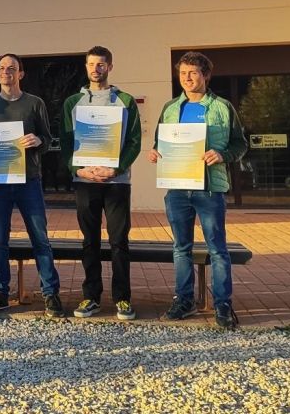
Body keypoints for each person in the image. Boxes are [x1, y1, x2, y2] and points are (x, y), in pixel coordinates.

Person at [149, 51, 247, 330]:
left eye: (193, 72)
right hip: (177, 188)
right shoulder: (170, 108)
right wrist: (156, 152)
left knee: (217, 248)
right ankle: (184, 301)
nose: (187, 78)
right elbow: (159, 142)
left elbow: (240, 144)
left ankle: (222, 304)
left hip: (210, 189)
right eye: (182, 73)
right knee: (181, 248)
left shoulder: (222, 107)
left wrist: (223, 154)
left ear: (206, 75)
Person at [0, 54, 63, 318]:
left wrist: (38, 141)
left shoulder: (35, 103)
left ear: (20, 73)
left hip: (28, 181)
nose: (5, 72)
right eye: (1, 68)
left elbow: (47, 139)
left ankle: (50, 293)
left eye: (11, 68)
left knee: (40, 238)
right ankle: (0, 293)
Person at [59, 46, 142, 320]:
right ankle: (91, 297)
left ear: (110, 67)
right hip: (85, 180)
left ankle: (123, 298)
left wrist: (116, 168)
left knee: (119, 241)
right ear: (86, 67)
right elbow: (66, 142)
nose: (96, 69)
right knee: (89, 241)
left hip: (117, 182)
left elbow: (134, 142)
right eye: (91, 64)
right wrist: (78, 170)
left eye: (101, 64)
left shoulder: (126, 101)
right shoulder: (73, 102)